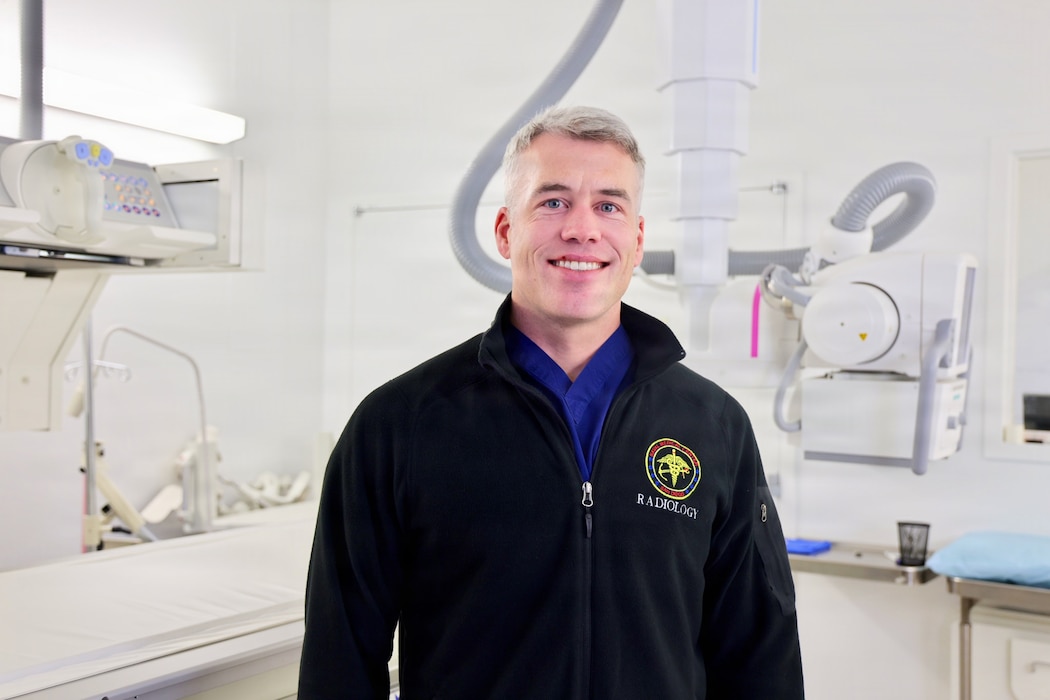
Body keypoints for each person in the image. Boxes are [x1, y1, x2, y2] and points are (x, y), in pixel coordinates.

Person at [298, 105, 805, 699]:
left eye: (609, 206)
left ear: (637, 240)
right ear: (506, 231)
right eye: (554, 201)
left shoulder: (713, 425)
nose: (582, 230)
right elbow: (340, 657)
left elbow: (759, 654)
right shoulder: (399, 426)